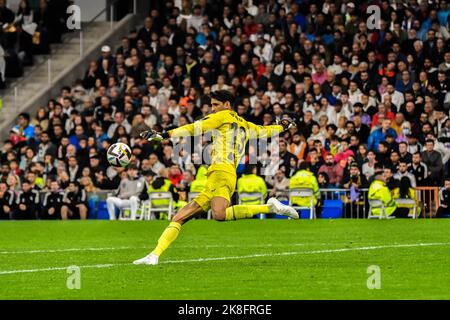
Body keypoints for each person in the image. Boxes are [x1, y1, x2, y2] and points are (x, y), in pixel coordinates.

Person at [134, 90, 298, 265]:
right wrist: (283, 126)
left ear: (227, 104)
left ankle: (269, 207)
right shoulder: (245, 124)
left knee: (219, 214)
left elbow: (195, 127)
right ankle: (154, 255)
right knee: (180, 217)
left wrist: (164, 134)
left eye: (215, 105)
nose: (212, 109)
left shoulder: (222, 116)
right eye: (211, 105)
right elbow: (264, 131)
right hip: (221, 174)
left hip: (221, 172)